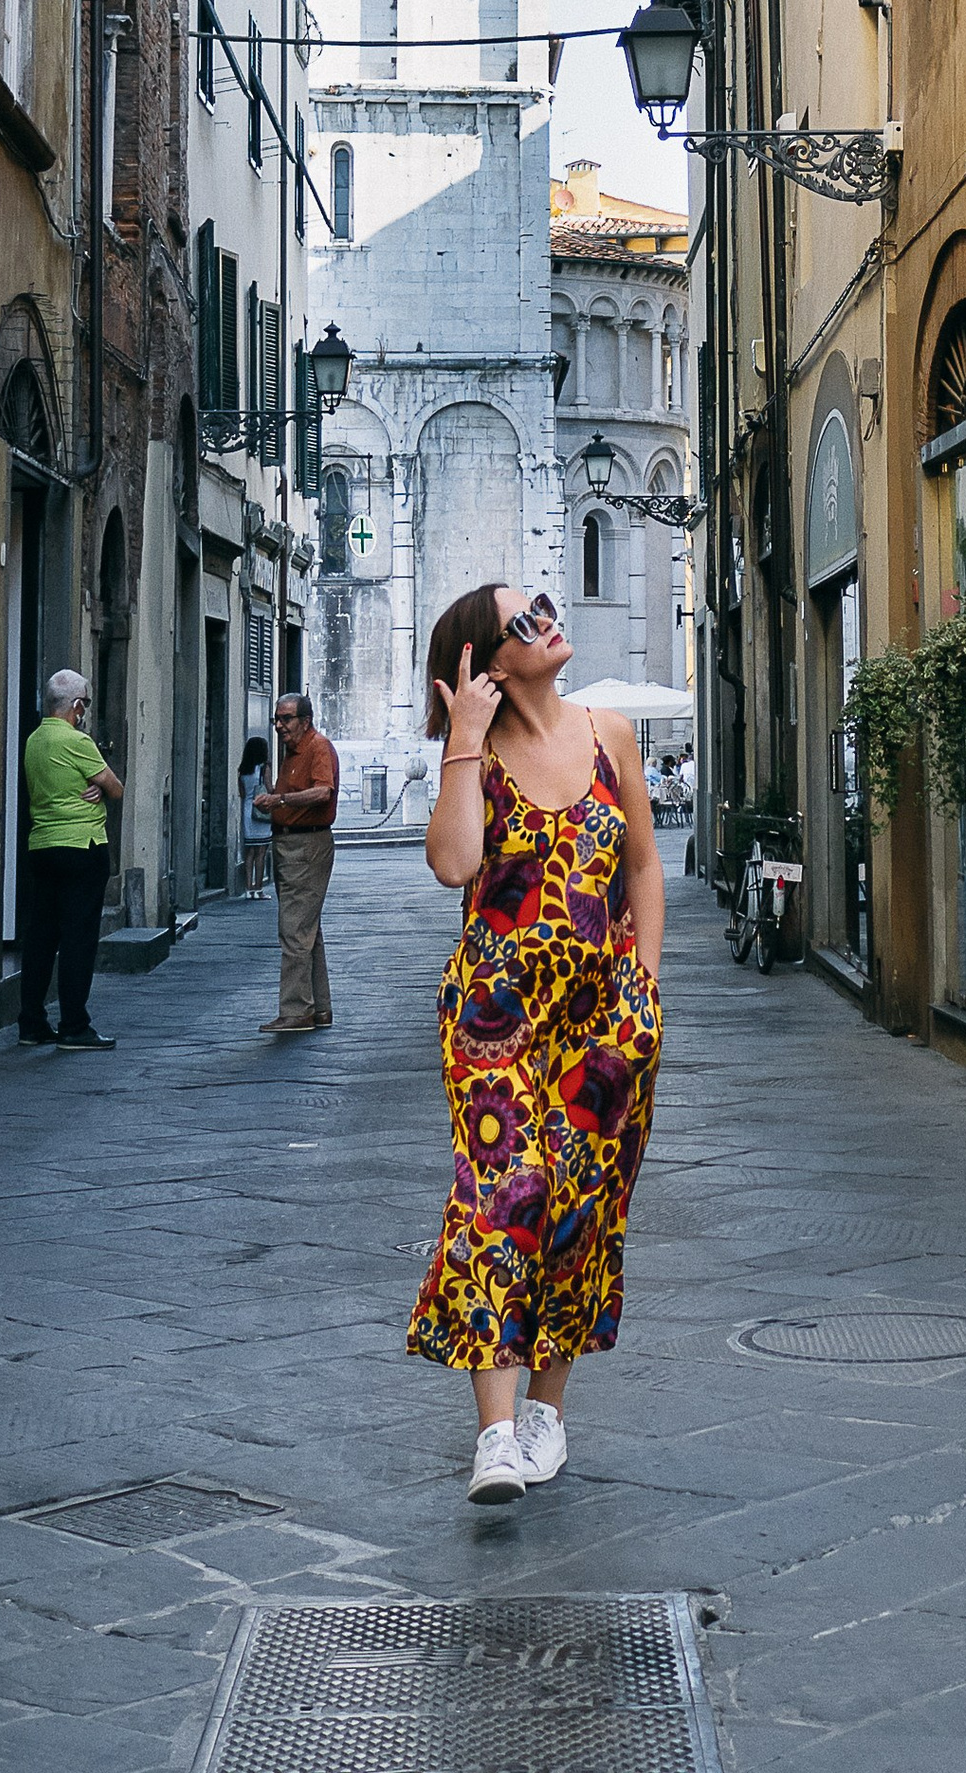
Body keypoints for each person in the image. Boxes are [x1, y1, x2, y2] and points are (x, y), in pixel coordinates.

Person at [409, 584, 663, 1507]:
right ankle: (496, 1433)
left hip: (603, 1015)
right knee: (502, 1192)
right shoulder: (473, 756)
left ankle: (548, 1408)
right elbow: (453, 865)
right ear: (486, 659)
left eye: (545, 604)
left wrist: (647, 985)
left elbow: (640, 861)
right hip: (494, 1019)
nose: (547, 621)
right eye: (523, 620)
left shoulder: (611, 734)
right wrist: (465, 738)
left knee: (584, 1205)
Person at [20, 670, 122, 1051]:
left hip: (42, 846)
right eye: (86, 704)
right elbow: (115, 788)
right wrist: (98, 783)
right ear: (77, 706)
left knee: (41, 937)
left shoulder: (34, 740)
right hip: (82, 846)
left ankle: (31, 1022)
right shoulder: (77, 741)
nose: (85, 712)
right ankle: (74, 1025)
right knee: (78, 939)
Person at [258, 690, 339, 1035]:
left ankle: (295, 1010)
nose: (279, 725)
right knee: (307, 931)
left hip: (306, 845)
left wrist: (280, 800)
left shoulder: (317, 747)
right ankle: (319, 1008)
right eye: (276, 719)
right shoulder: (291, 752)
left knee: (294, 930)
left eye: (286, 719)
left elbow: (324, 791)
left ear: (305, 721)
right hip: (292, 843)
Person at [237, 734, 274, 897]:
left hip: (247, 811)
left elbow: (242, 793)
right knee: (261, 851)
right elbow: (269, 789)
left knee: (249, 852)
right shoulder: (264, 768)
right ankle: (258, 888)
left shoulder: (243, 770)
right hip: (261, 809)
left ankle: (248, 888)